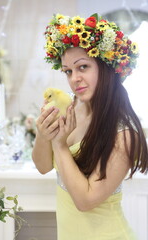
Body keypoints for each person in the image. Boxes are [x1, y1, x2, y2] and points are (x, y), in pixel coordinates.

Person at [32, 13, 148, 240]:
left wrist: (60, 145)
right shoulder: (67, 107)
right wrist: (43, 134)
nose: (74, 78)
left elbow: (85, 201)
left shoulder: (123, 134)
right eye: (68, 71)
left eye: (82, 67)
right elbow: (43, 166)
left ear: (106, 69)